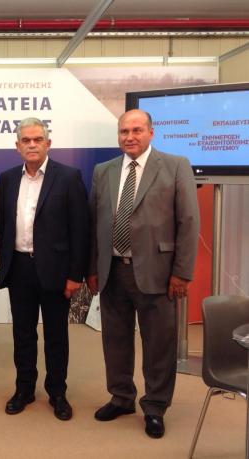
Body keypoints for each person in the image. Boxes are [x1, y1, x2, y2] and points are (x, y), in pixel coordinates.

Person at [88, 109, 200, 438]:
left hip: (159, 274)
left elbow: (188, 222)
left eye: (137, 130)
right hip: (113, 271)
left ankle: (155, 407)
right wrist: (92, 268)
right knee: (115, 341)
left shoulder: (176, 166)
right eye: (124, 131)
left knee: (159, 344)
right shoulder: (103, 170)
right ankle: (121, 397)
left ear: (151, 132)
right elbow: (93, 223)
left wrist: (182, 273)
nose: (130, 137)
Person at [0, 117, 90, 421]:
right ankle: (24, 389)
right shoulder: (8, 179)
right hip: (19, 267)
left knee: (56, 336)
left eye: (38, 139)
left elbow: (80, 230)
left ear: (48, 144)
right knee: (23, 334)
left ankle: (57, 392)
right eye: (26, 140)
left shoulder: (68, 177)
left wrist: (75, 275)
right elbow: (3, 225)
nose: (32, 145)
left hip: (56, 271)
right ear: (17, 146)